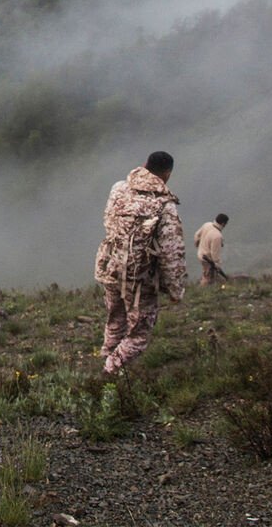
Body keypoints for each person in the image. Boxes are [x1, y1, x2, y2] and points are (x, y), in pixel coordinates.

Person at [94, 152, 186, 375]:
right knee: (139, 333)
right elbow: (171, 251)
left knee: (116, 318)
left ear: (145, 165)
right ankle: (110, 373)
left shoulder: (118, 189)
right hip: (138, 277)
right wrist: (175, 289)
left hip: (109, 267)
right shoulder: (164, 205)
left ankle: (107, 356)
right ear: (167, 174)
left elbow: (108, 221)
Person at [193, 213, 229, 286]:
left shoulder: (207, 225)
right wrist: (217, 265)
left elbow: (196, 235)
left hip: (201, 254)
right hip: (207, 259)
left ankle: (212, 288)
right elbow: (215, 255)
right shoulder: (217, 236)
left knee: (209, 275)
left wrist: (198, 245)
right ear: (223, 223)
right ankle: (202, 292)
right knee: (208, 277)